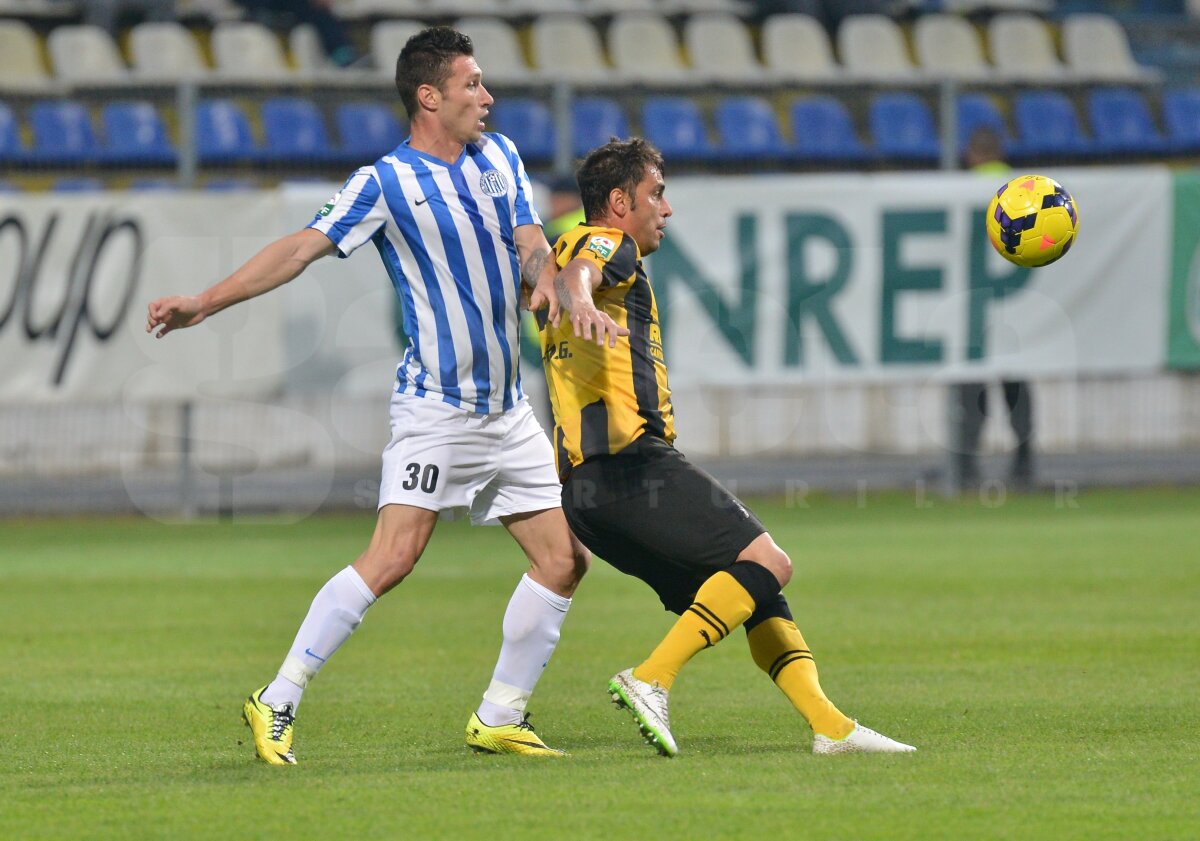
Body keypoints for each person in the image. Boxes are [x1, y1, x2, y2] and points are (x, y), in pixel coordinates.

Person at [146, 26, 599, 765]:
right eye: (472, 85)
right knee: (393, 556)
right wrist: (205, 300)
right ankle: (278, 698)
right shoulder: (385, 182)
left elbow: (529, 240)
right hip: (437, 409)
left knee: (564, 559)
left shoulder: (500, 156)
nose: (487, 97)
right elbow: (299, 249)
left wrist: (545, 276)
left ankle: (499, 713)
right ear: (429, 96)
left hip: (506, 409)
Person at [533, 137, 915, 757]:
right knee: (770, 563)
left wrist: (573, 290)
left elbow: (571, 270)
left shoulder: (571, 248)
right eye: (657, 193)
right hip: (629, 468)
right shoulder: (604, 242)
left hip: (587, 493)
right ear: (619, 200)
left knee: (757, 590)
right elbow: (584, 268)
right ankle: (651, 678)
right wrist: (577, 293)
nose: (667, 208)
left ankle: (831, 727)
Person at [956, 127, 1036, 490]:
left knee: (971, 391)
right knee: (1016, 388)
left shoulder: (958, 190)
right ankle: (1024, 464)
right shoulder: (1019, 190)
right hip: (1014, 307)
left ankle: (964, 467)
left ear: (972, 155)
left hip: (971, 307)